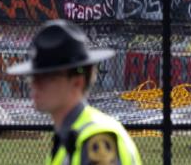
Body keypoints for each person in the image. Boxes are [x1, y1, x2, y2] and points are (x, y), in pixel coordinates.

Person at [10, 20, 143, 165]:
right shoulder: (70, 136)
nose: (34, 84)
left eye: (47, 77)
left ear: (77, 82)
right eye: (33, 76)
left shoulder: (95, 139)